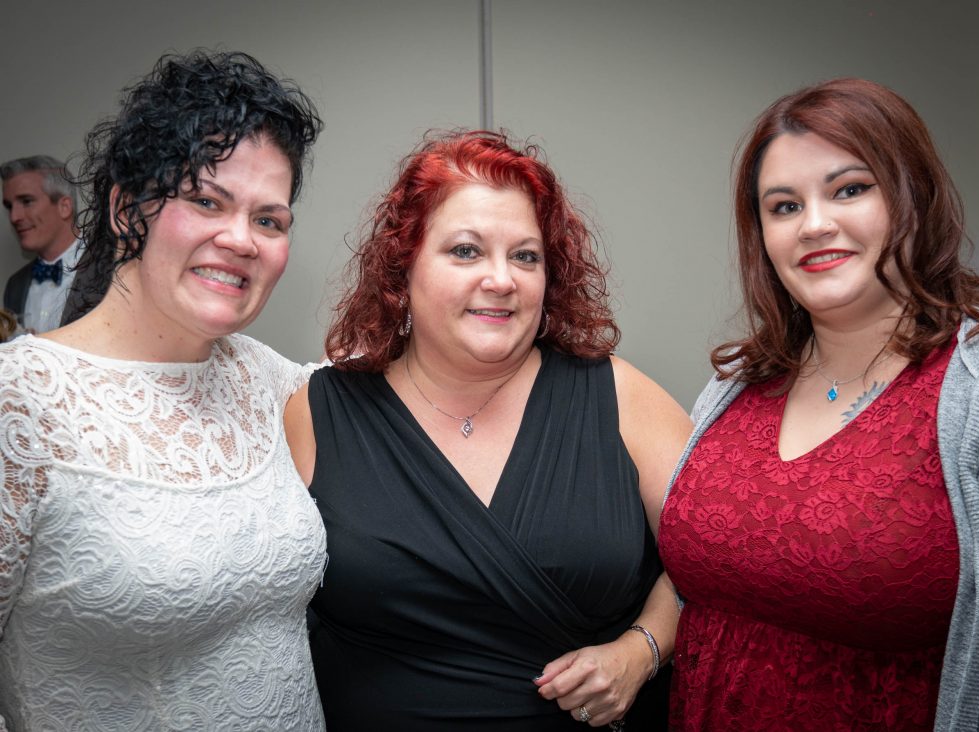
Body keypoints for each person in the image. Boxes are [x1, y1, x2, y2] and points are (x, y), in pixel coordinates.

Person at [285, 130, 692, 730]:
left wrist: (642, 650)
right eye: (466, 251)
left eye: (525, 256)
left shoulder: (620, 396)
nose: (501, 280)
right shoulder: (318, 413)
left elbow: (717, 565)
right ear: (404, 267)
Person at [658, 77, 979, 731]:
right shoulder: (739, 384)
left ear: (913, 198)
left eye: (850, 189)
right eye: (784, 206)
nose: (815, 224)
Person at [0, 50, 326, 731]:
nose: (241, 239)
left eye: (269, 220)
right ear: (126, 210)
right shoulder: (19, 400)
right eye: (206, 201)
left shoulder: (266, 378)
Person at [2, 155, 82, 333]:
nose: (14, 217)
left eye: (27, 201)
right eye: (9, 206)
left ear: (64, 207)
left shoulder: (111, 268)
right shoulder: (15, 285)